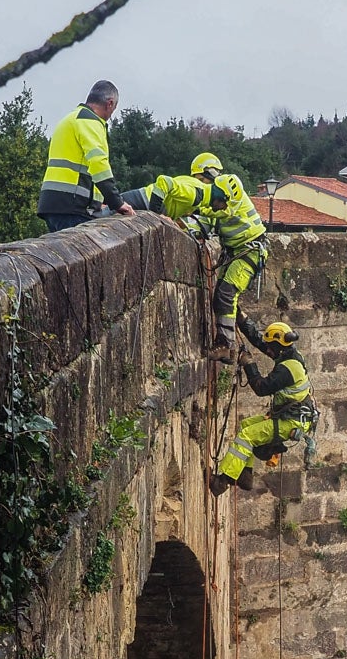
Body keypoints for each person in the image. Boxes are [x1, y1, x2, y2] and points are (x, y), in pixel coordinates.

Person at [118, 171, 266, 359]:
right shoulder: (215, 198)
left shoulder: (232, 200)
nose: (224, 207)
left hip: (249, 251)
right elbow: (203, 223)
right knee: (222, 298)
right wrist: (182, 225)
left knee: (226, 295)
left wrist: (161, 215)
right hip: (236, 252)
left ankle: (226, 346)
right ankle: (228, 347)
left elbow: (210, 214)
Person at [208, 318, 316, 493]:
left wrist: (249, 364)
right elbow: (261, 342)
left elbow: (261, 388)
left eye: (271, 347)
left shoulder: (289, 369)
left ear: (279, 345)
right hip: (290, 417)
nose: (269, 351)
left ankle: (223, 480)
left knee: (247, 436)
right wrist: (242, 320)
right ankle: (245, 475)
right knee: (246, 425)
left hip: (291, 422)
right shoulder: (288, 354)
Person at [37, 80, 135, 231]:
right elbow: (98, 164)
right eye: (113, 109)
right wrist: (117, 203)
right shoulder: (90, 121)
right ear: (109, 103)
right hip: (72, 206)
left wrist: (98, 203)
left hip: (54, 204)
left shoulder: (71, 118)